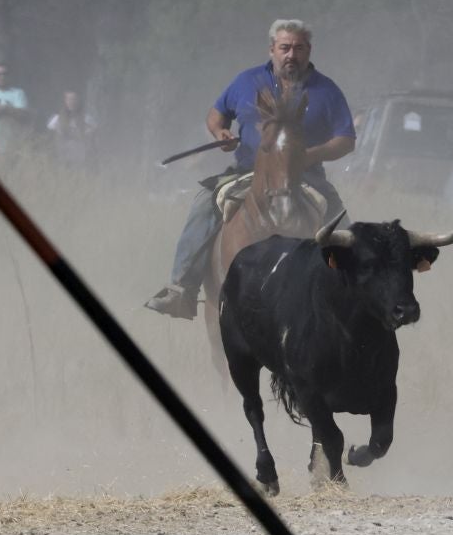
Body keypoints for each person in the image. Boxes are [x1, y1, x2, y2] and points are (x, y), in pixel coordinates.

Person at [144, 19, 355, 320]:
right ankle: (181, 288)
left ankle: (353, 294)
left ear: (309, 50)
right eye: (284, 48)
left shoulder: (327, 90)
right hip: (246, 170)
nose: (291, 55)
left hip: (306, 177)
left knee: (342, 225)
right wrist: (221, 135)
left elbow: (346, 140)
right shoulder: (246, 81)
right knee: (203, 204)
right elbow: (216, 116)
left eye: (298, 48)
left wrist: (309, 156)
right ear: (272, 49)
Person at [46, 89, 96, 165]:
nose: (71, 102)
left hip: (81, 160)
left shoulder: (87, 119)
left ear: (79, 101)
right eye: (69, 99)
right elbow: (50, 139)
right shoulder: (56, 119)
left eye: (74, 99)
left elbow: (92, 141)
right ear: (65, 101)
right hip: (61, 159)